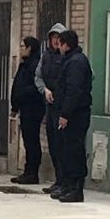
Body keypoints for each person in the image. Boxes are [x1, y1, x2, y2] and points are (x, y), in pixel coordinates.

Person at [53, 30, 93, 203]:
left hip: (76, 114)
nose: (58, 47)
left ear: (66, 44)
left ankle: (76, 189)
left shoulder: (76, 62)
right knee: (67, 150)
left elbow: (73, 91)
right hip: (72, 113)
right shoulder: (71, 60)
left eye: (59, 44)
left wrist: (65, 114)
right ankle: (68, 185)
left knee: (74, 150)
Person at [34, 23, 67, 194]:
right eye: (53, 37)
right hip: (51, 106)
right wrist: (45, 90)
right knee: (53, 144)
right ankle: (58, 180)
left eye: (59, 38)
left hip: (65, 107)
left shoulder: (71, 57)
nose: (56, 41)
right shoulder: (45, 57)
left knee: (64, 145)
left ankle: (66, 182)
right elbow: (38, 77)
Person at [10, 36, 44, 184]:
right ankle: (27, 171)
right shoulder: (24, 64)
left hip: (33, 108)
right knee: (27, 141)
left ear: (30, 48)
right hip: (24, 107)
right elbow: (17, 83)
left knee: (32, 142)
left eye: (23, 46)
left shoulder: (36, 64)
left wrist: (22, 93)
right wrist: (15, 106)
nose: (21, 49)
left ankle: (32, 173)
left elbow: (37, 87)